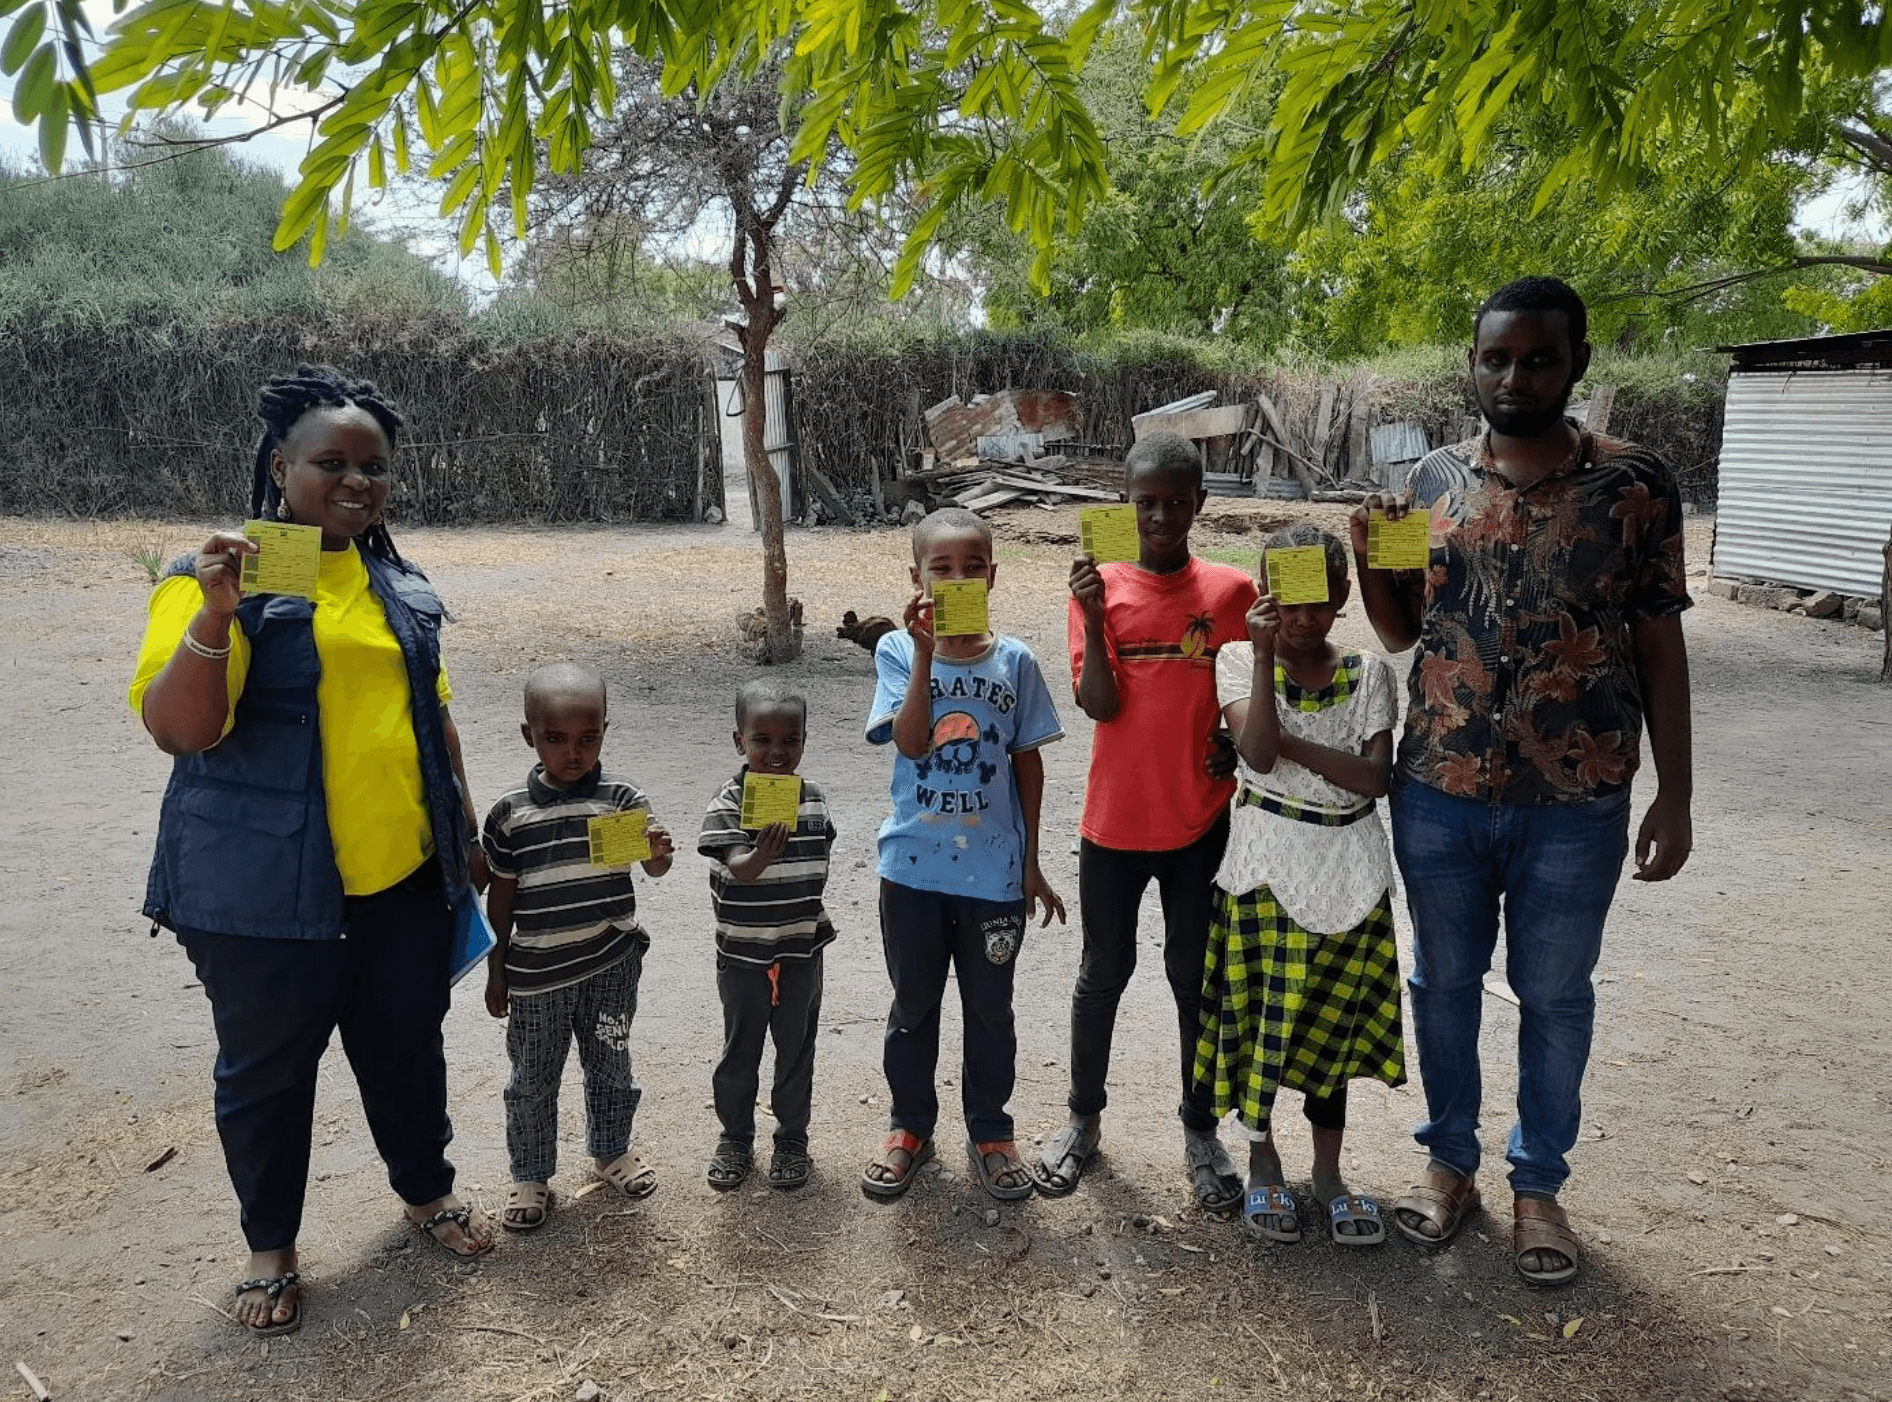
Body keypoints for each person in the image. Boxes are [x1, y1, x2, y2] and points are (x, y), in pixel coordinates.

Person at [131, 366, 492, 1338]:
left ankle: (426, 1194)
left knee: (407, 1051)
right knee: (266, 1073)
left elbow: (433, 713)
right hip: (262, 895)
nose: (355, 481)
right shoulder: (220, 574)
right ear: (280, 468)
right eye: (329, 461)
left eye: (372, 466)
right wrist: (216, 613)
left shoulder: (395, 581)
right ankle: (270, 1251)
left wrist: (461, 827)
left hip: (401, 885)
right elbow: (180, 730)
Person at [1352, 276, 1693, 1285]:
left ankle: (1536, 1184)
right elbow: (1401, 632)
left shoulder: (1633, 486)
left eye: (1537, 358)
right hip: (1439, 787)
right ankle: (1447, 1165)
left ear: (1575, 365)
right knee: (1443, 983)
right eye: (1495, 357)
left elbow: (1658, 645)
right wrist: (1368, 559)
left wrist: (1674, 794)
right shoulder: (1427, 483)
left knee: (1552, 994)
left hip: (1573, 803)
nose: (1513, 377)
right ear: (1471, 362)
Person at [1035, 431, 1258, 1213]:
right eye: (1146, 503)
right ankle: (1082, 1122)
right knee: (1103, 974)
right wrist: (1096, 616)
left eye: (1175, 501)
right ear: (1127, 506)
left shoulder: (1231, 593)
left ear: (1200, 504)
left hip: (1200, 823)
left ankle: (1200, 1130)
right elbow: (1100, 704)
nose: (1160, 515)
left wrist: (1232, 742)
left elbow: (1246, 697)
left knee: (1193, 981)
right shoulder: (1097, 588)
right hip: (1114, 826)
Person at [1193, 526, 1405, 1247]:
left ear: (1344, 596)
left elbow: (1375, 780)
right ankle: (1263, 1163)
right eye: (1288, 605)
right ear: (1263, 602)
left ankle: (1329, 1174)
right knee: (1261, 1024)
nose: (1304, 619)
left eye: (1319, 603)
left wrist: (1287, 742)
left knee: (1331, 1032)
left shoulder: (1371, 672)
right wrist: (1259, 660)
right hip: (1266, 867)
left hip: (1351, 867)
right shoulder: (1232, 660)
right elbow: (1253, 752)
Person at [862, 508, 1066, 1201]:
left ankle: (991, 1130)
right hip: (912, 873)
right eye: (940, 569)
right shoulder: (895, 652)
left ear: (993, 575)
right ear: (915, 578)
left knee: (990, 1011)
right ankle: (909, 1126)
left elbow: (1028, 766)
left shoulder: (1016, 662)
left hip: (994, 879)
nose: (956, 579)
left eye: (971, 567)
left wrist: (1032, 862)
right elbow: (913, 742)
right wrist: (924, 651)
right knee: (912, 1007)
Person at [481, 663, 675, 1230]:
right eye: (556, 739)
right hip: (537, 976)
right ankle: (531, 1175)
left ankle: (612, 1148)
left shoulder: (620, 799)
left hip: (610, 964)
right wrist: (498, 969)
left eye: (588, 739)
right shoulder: (511, 814)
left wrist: (656, 851)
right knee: (532, 1079)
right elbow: (501, 898)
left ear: (604, 731)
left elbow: (654, 869)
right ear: (529, 736)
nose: (573, 753)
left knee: (611, 1062)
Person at [698, 679, 838, 1193]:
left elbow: (821, 863)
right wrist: (759, 856)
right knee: (741, 1048)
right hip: (743, 953)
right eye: (762, 740)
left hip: (801, 949)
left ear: (803, 740)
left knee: (797, 1047)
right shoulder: (728, 801)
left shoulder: (814, 800)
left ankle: (792, 1138)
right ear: (740, 741)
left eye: (789, 740)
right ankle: (735, 1136)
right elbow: (734, 866)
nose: (776, 752)